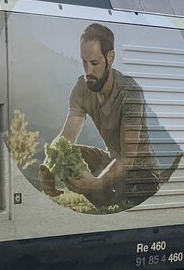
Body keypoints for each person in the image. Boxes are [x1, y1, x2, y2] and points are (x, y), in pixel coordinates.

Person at [39, 23, 160, 209]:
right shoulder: (82, 88)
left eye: (94, 63)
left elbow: (128, 158)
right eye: (84, 62)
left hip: (141, 173)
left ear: (110, 57)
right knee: (68, 152)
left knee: (124, 180)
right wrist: (50, 165)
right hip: (112, 160)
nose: (88, 71)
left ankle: (112, 202)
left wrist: (96, 183)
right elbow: (67, 137)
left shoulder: (130, 92)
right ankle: (105, 201)